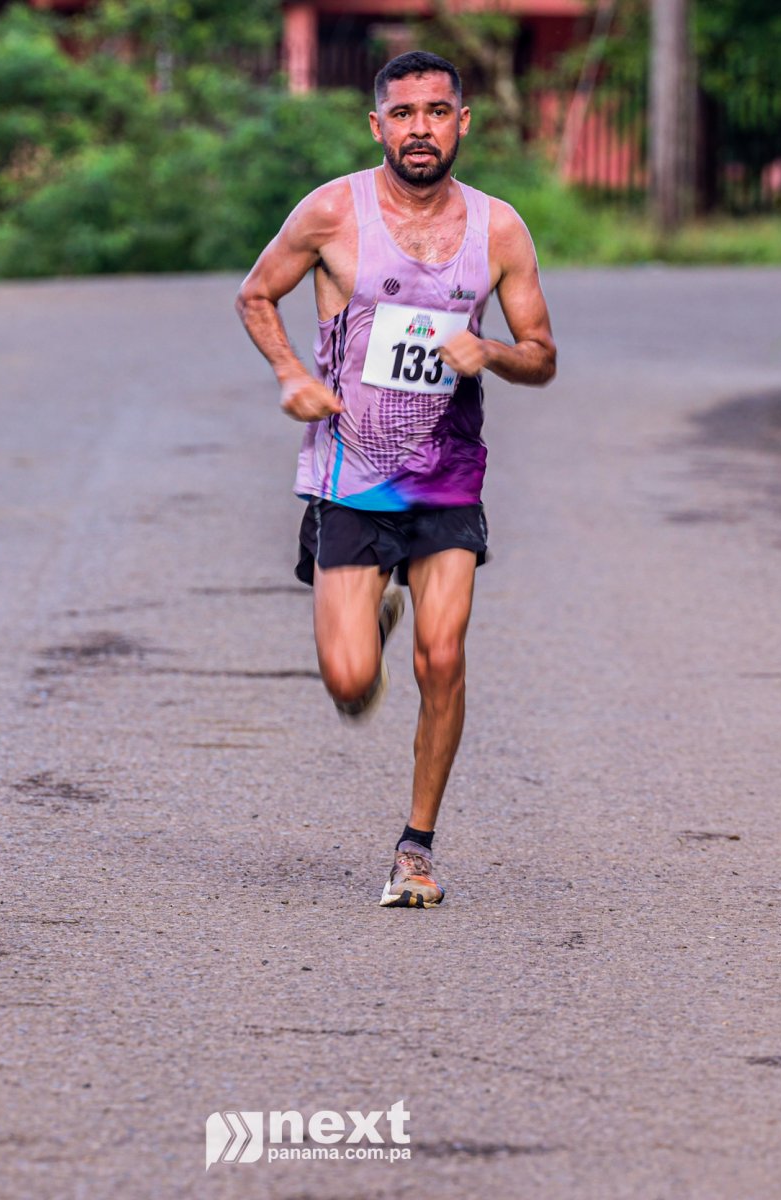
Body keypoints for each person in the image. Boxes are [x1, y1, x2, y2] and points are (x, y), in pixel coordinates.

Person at [235, 50, 556, 908]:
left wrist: (489, 351)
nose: (421, 129)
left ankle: (416, 848)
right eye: (404, 114)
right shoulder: (332, 212)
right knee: (350, 683)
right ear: (377, 125)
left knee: (442, 655)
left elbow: (541, 355)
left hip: (447, 475)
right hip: (352, 472)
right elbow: (256, 295)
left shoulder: (499, 229)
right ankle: (369, 620)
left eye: (438, 112)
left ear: (463, 123)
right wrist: (291, 375)